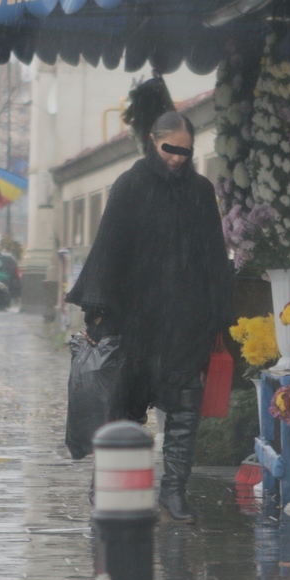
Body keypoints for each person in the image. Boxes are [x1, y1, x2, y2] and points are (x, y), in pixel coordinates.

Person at [66, 111, 232, 522]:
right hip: (135, 322)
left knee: (184, 411)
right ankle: (108, 482)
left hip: (186, 322)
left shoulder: (200, 191)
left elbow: (214, 257)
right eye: (169, 148)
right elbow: (108, 248)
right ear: (153, 141)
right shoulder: (130, 185)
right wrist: (99, 314)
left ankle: (174, 491)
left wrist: (218, 316)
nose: (177, 157)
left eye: (185, 151)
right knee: (122, 408)